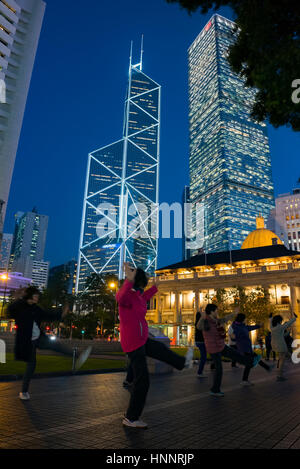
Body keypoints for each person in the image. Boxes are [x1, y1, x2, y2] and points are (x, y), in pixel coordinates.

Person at [117, 262, 194, 429]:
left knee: (160, 349)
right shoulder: (127, 295)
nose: (146, 283)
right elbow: (120, 297)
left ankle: (183, 363)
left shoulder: (138, 296)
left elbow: (144, 298)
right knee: (142, 381)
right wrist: (128, 280)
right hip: (133, 343)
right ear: (138, 281)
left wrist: (155, 287)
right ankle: (131, 417)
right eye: (145, 281)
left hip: (142, 339)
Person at [8, 287, 92, 400]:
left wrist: (62, 312)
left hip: (38, 338)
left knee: (55, 345)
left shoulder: (36, 309)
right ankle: (24, 392)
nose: (37, 298)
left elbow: (49, 314)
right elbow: (10, 310)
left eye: (38, 296)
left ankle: (77, 355)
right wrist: (17, 298)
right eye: (36, 296)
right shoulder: (20, 306)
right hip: (27, 342)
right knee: (31, 365)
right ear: (30, 296)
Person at [198, 304, 261, 397]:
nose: (217, 312)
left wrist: (233, 313)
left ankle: (251, 362)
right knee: (219, 369)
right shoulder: (206, 321)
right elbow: (199, 326)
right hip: (213, 348)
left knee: (235, 355)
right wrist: (202, 317)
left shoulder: (215, 320)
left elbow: (224, 319)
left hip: (220, 345)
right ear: (211, 311)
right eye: (216, 310)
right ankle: (215, 390)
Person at [232, 313, 273, 386]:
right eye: (245, 318)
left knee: (256, 358)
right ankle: (244, 380)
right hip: (244, 349)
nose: (246, 319)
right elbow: (234, 337)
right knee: (250, 363)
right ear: (242, 319)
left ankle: (267, 368)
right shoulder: (237, 328)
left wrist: (259, 326)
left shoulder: (243, 326)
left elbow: (250, 328)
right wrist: (233, 337)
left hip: (248, 348)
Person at [270, 313, 297, 381]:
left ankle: (280, 371)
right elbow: (288, 324)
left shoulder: (272, 327)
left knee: (285, 355)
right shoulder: (280, 327)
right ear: (279, 321)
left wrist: (270, 318)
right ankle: (279, 375)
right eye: (281, 320)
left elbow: (283, 335)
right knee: (282, 360)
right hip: (280, 345)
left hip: (275, 345)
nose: (281, 321)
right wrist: (294, 318)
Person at [195, 311, 208, 378]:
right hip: (202, 341)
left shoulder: (197, 322)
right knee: (204, 357)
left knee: (205, 356)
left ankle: (200, 371)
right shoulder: (200, 323)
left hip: (199, 341)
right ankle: (200, 372)